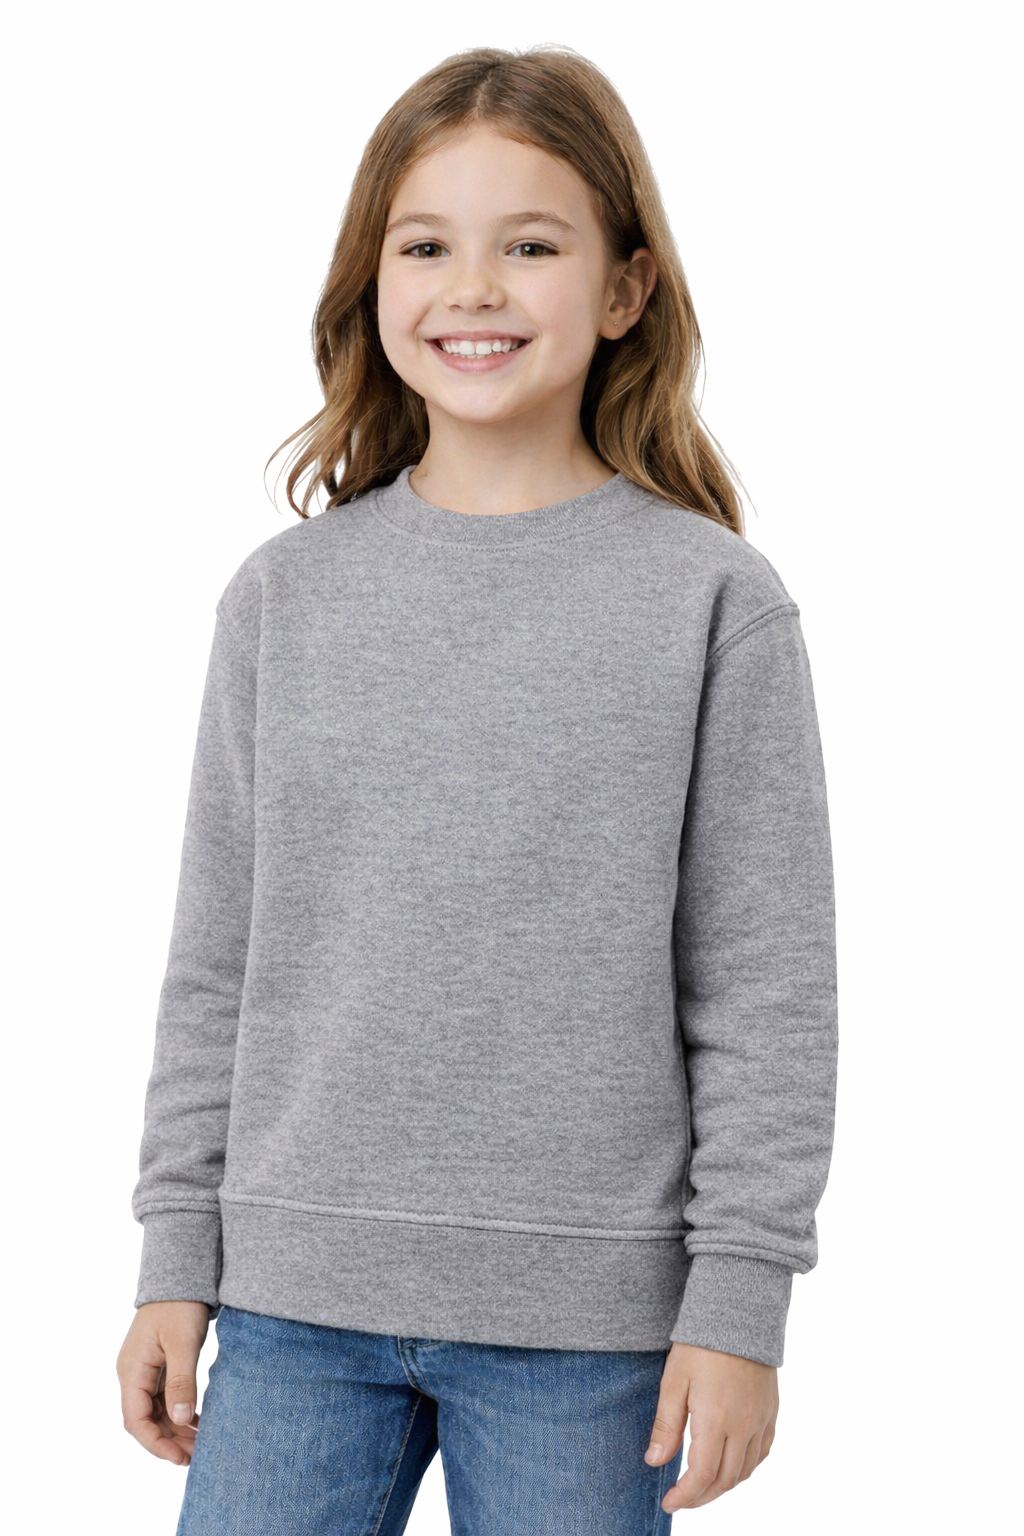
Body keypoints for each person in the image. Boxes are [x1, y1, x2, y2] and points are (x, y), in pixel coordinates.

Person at [116, 44, 839, 1534]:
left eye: (532, 246)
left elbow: (764, 989)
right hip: (295, 1309)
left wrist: (741, 1301)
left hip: (590, 1332)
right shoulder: (283, 599)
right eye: (427, 246)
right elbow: (216, 965)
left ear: (627, 289)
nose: (475, 289)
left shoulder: (713, 603)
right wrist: (174, 1254)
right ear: (371, 283)